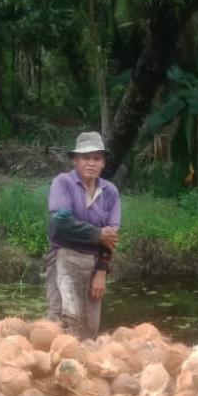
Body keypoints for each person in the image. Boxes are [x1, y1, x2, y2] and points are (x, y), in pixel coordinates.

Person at [45, 132, 120, 339]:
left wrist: (102, 272)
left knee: (89, 330)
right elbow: (61, 223)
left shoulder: (110, 192)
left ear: (103, 163)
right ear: (75, 160)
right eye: (85, 158)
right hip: (64, 256)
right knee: (63, 321)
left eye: (96, 158)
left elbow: (111, 238)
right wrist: (97, 233)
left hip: (94, 262)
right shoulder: (63, 183)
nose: (91, 163)